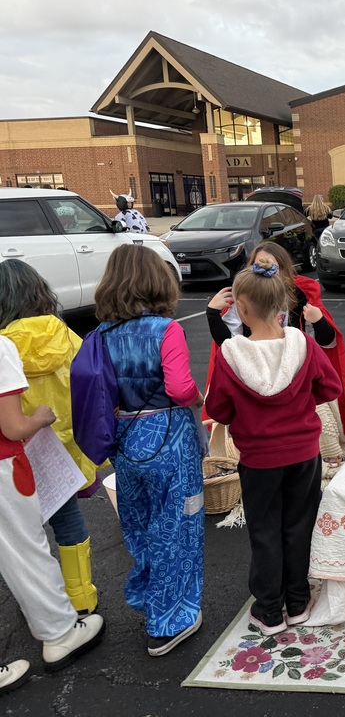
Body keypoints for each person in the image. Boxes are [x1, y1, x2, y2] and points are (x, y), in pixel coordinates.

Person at [205, 256, 343, 635]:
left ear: (242, 308)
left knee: (264, 531)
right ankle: (298, 602)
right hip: (303, 454)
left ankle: (269, 611)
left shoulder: (231, 357)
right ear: (283, 304)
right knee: (299, 526)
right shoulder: (304, 347)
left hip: (259, 459)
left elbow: (217, 407)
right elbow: (330, 388)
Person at [93, 244, 205, 657]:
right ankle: (169, 618)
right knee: (179, 526)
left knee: (140, 526)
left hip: (124, 440)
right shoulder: (166, 329)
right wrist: (196, 399)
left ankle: (149, 596)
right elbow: (178, 388)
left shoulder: (101, 335)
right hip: (168, 438)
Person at [0, 333, 105, 683]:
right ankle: (61, 630)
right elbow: (13, 426)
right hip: (10, 466)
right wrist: (40, 418)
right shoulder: (9, 347)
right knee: (28, 551)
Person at [0, 259, 100, 615]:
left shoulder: (3, 345)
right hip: (65, 446)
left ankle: (41, 603)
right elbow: (89, 383)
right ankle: (81, 596)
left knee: (24, 534)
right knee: (68, 520)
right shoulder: (64, 334)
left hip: (17, 453)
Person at [204, 241, 345, 463]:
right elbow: (330, 385)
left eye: (270, 266)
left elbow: (219, 405)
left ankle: (330, 455)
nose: (265, 271)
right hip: (301, 445)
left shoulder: (303, 296)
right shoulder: (303, 342)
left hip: (258, 452)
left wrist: (320, 321)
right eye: (259, 266)